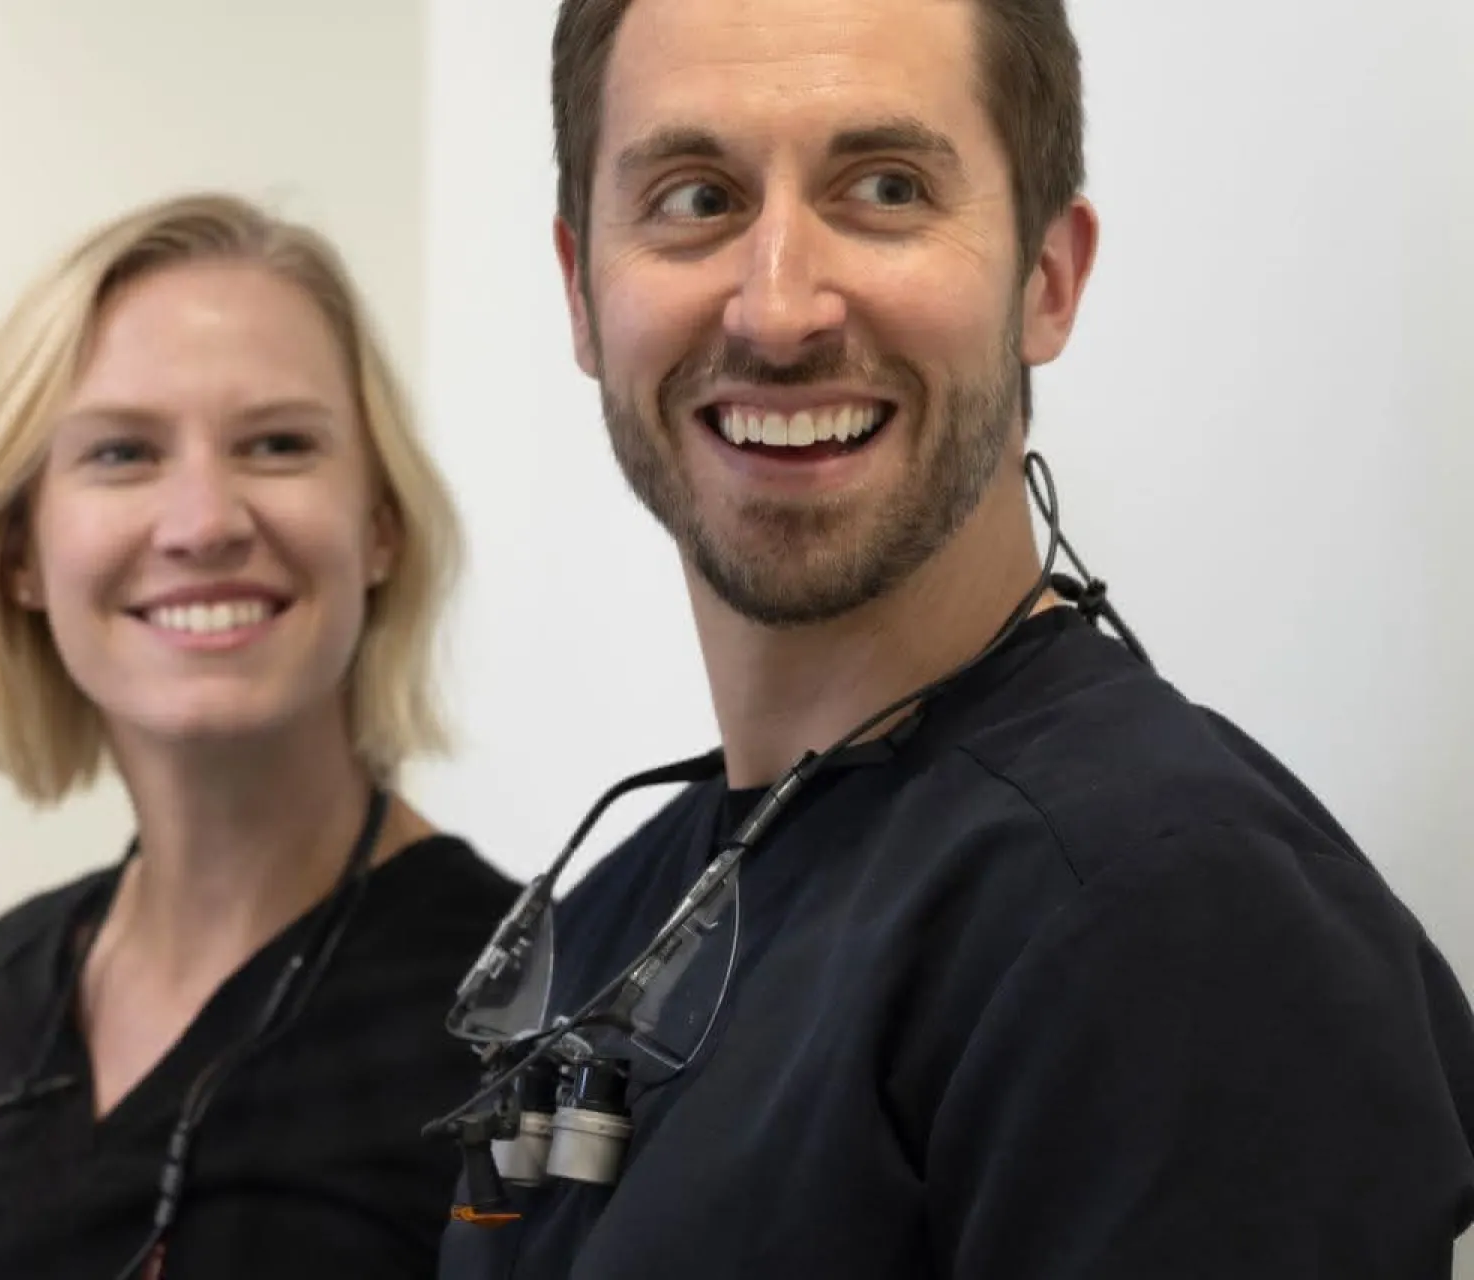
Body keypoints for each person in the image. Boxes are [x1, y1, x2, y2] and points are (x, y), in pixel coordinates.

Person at [431, 1, 1474, 1277]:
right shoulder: (622, 914)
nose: (778, 309)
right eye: (696, 200)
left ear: (1048, 277)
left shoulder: (1165, 922)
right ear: (582, 294)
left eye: (884, 187)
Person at [0, 191, 518, 1280]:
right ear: (23, 550)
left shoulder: (517, 1015)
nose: (206, 520)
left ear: (381, 527)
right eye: (123, 453)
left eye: (277, 443)